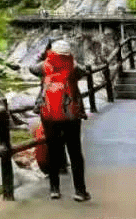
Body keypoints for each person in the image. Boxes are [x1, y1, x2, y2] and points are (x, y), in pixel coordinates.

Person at [30, 39, 91, 202]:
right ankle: (80, 191)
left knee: (53, 150)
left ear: (52, 52)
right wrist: (73, 59)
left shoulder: (44, 66)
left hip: (48, 114)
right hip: (71, 114)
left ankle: (54, 189)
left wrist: (42, 55)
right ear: (68, 53)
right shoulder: (73, 67)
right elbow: (85, 71)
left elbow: (31, 68)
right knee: (75, 152)